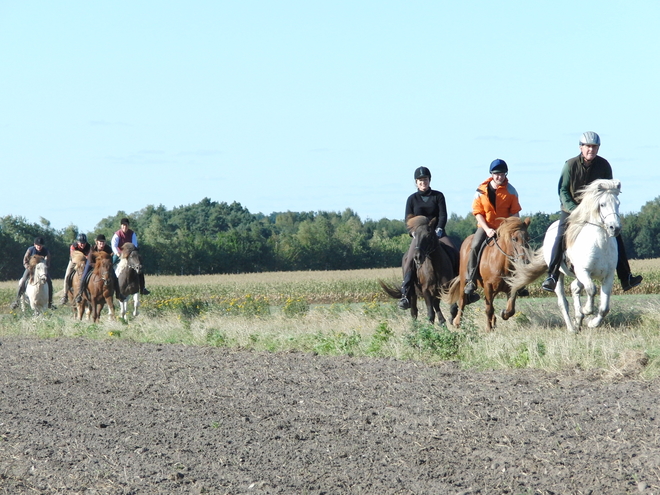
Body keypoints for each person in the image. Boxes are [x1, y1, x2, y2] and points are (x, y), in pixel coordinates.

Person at [541, 131, 643, 292]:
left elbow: (608, 191)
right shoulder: (570, 165)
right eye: (588, 146)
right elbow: (562, 190)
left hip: (596, 212)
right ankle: (552, 275)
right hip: (572, 210)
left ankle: (626, 277)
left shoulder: (604, 165)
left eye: (595, 147)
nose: (591, 150)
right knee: (560, 234)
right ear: (581, 147)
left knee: (616, 233)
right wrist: (574, 209)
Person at [398, 166, 459, 309]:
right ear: (416, 182)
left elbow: (443, 215)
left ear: (429, 180)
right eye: (420, 180)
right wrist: (412, 233)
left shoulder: (438, 196)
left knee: (455, 253)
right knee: (408, 259)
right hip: (420, 236)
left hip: (437, 233)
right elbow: (408, 220)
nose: (423, 182)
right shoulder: (412, 199)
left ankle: (464, 288)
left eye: (425, 179)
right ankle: (405, 294)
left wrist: (439, 229)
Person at [464, 159, 523, 297]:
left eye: (502, 174)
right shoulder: (481, 190)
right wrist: (487, 229)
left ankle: (520, 282)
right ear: (491, 174)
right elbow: (477, 213)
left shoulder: (511, 191)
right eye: (496, 174)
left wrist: (512, 228)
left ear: (505, 174)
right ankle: (471, 280)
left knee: (519, 247)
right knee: (475, 245)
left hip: (505, 229)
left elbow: (515, 213)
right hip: (486, 226)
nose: (499, 177)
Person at [74, 234, 125, 304]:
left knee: (115, 276)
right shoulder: (93, 249)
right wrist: (97, 266)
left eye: (103, 242)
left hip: (104, 267)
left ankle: (118, 294)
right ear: (97, 242)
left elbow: (110, 259)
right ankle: (80, 294)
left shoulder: (108, 249)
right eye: (100, 243)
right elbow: (90, 261)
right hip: (91, 264)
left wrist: (107, 266)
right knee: (84, 276)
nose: (102, 244)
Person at [10, 237, 55, 310]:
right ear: (34, 245)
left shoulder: (46, 251)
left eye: (40, 245)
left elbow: (48, 261)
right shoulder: (30, 250)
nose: (39, 247)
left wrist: (45, 267)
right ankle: (17, 301)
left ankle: (50, 302)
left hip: (41, 270)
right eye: (38, 245)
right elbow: (25, 260)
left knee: (49, 282)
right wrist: (28, 267)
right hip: (31, 268)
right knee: (23, 281)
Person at [111, 218, 150, 295]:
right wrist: (117, 253)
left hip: (131, 255)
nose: (124, 227)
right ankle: (109, 284)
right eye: (123, 225)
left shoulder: (132, 234)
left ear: (128, 226)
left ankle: (142, 288)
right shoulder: (117, 234)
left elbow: (135, 245)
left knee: (139, 266)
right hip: (120, 254)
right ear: (121, 225)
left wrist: (131, 254)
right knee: (110, 264)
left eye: (126, 225)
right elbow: (114, 245)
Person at [60, 233, 91, 305]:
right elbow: (73, 255)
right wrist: (82, 256)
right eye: (81, 243)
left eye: (84, 243)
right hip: (74, 261)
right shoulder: (73, 246)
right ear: (77, 242)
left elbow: (89, 256)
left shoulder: (89, 247)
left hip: (84, 262)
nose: (82, 245)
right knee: (67, 275)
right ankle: (65, 295)